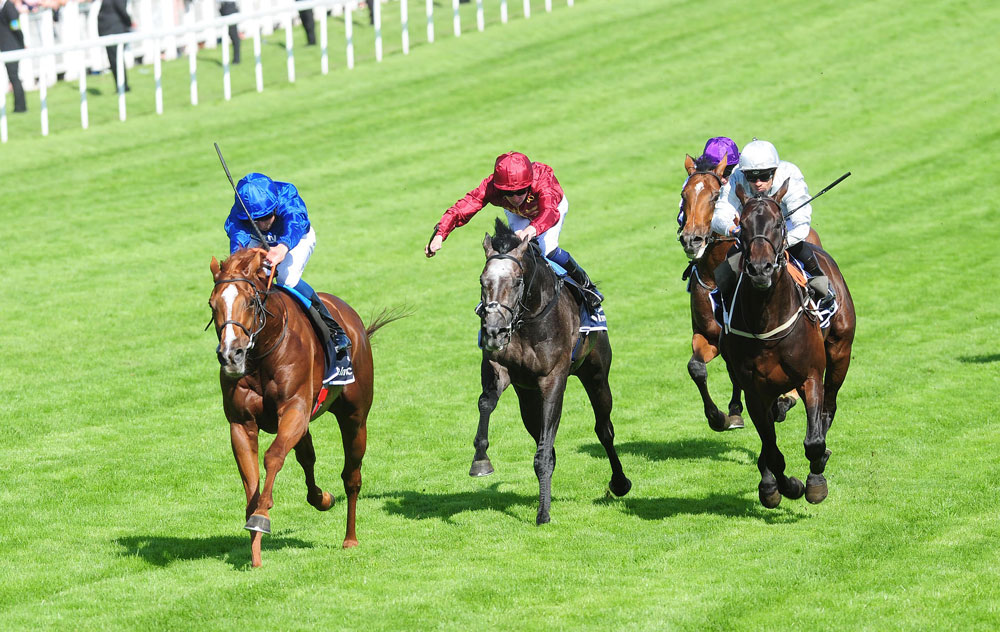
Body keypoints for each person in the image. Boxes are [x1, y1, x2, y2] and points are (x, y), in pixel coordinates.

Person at [425, 151, 604, 309]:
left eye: (521, 191)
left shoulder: (543, 181)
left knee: (546, 249)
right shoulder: (491, 187)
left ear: (529, 184)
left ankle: (587, 286)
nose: (515, 197)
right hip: (518, 215)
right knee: (513, 253)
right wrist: (441, 233)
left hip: (549, 210)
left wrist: (532, 229)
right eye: (508, 193)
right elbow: (464, 207)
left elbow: (550, 212)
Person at [225, 173, 354, 385]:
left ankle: (335, 332)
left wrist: (282, 248)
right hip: (259, 242)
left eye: (268, 217)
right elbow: (238, 248)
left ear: (275, 206)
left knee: (287, 278)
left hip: (296, 237)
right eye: (256, 220)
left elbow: (296, 221)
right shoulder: (239, 215)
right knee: (248, 285)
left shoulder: (286, 194)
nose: (264, 223)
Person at [711, 139, 835, 309]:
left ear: (775, 171)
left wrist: (778, 243)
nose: (758, 183)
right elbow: (719, 217)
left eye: (764, 176)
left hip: (785, 227)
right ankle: (723, 313)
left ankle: (824, 290)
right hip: (752, 231)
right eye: (752, 177)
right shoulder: (736, 178)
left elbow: (802, 226)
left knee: (802, 250)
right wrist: (735, 231)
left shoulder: (790, 175)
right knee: (725, 272)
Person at [677, 136, 739, 229]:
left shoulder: (744, 175)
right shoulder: (694, 181)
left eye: (727, 172)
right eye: (714, 171)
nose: (722, 179)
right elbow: (682, 218)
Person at [97, 0, 132, 92]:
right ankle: (122, 85)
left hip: (111, 30)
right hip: (111, 29)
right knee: (116, 60)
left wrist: (129, 23)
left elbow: (120, 9)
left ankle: (122, 85)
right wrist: (129, 23)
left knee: (116, 60)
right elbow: (121, 9)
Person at [0, 0, 26, 113]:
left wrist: (22, 42)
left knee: (14, 77)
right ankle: (18, 106)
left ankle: (20, 107)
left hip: (13, 46)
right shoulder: (3, 7)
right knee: (13, 77)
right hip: (7, 47)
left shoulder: (9, 6)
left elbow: (15, 25)